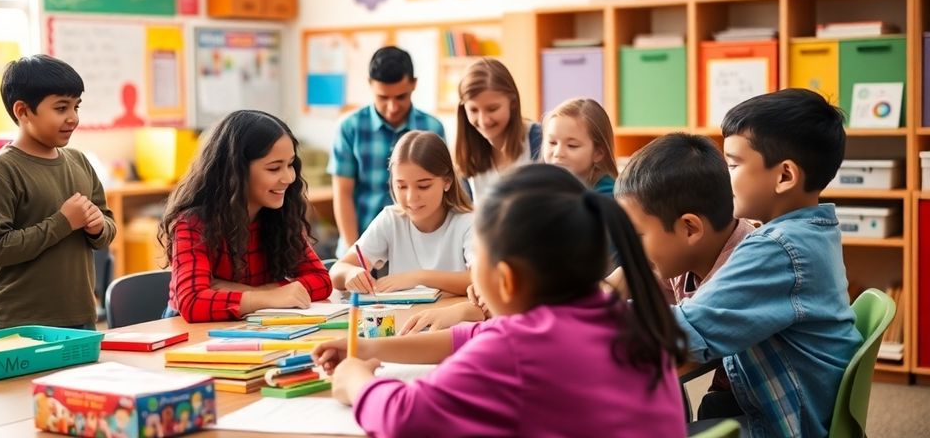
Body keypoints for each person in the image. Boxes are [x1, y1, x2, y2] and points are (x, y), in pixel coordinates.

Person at [313, 164, 687, 437]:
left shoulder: (518, 348)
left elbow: (405, 416)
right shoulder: (619, 316)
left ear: (505, 279)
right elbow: (469, 337)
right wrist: (367, 347)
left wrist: (358, 383)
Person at [674, 89, 863, 435]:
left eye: (732, 164)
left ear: (785, 176)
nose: (723, 177)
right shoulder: (814, 231)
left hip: (785, 426)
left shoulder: (779, 248)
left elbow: (686, 331)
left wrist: (594, 310)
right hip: (803, 413)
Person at [610, 132, 754, 419]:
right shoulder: (687, 253)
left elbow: (678, 347)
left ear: (689, 228)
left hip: (758, 413)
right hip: (728, 399)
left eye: (638, 235)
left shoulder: (744, 266)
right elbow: (627, 279)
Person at [0, 54, 115, 331]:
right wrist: (63, 222)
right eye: (61, 108)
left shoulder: (79, 161)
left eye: (76, 107)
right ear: (23, 111)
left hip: (79, 317)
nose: (73, 118)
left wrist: (98, 227)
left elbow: (107, 224)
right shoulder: (0, 171)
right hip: (15, 322)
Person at [160, 110, 332, 322]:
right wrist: (270, 296)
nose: (288, 177)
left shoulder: (280, 215)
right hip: (191, 334)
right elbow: (193, 302)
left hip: (249, 330)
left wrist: (250, 292)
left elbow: (322, 281)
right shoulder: (193, 223)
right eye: (274, 168)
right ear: (236, 172)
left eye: (290, 164)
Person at [328, 46, 445, 257]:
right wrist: (356, 254)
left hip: (416, 250)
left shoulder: (432, 128)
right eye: (383, 97)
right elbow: (343, 193)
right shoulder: (350, 127)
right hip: (360, 244)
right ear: (370, 85)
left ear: (414, 84)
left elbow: (440, 192)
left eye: (401, 97)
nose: (392, 107)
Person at [329, 131, 473, 296]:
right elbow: (336, 271)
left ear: (447, 181)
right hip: (403, 319)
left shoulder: (468, 223)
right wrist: (350, 273)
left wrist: (419, 277)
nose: (411, 198)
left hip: (451, 319)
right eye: (401, 186)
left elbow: (482, 280)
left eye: (423, 186)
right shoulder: (391, 219)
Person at [454, 58, 541, 202]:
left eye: (492, 109)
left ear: (512, 102)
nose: (484, 121)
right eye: (474, 110)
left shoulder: (539, 140)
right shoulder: (467, 157)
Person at [542, 97, 618, 195]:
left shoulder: (608, 193)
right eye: (552, 143)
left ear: (598, 152)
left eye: (572, 145)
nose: (558, 153)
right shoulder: (542, 184)